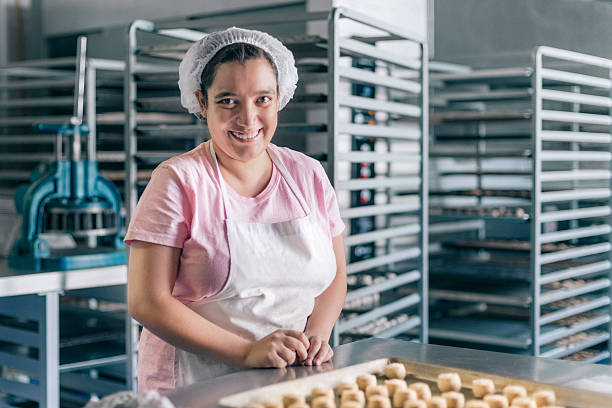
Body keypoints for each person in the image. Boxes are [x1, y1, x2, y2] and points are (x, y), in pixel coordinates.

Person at [125, 26, 347, 394]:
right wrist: (246, 352)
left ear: (279, 99)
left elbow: (335, 276)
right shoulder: (179, 180)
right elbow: (147, 302)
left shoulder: (307, 174)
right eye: (228, 100)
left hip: (285, 377)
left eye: (263, 99)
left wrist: (316, 336)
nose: (248, 118)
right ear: (202, 102)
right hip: (194, 382)